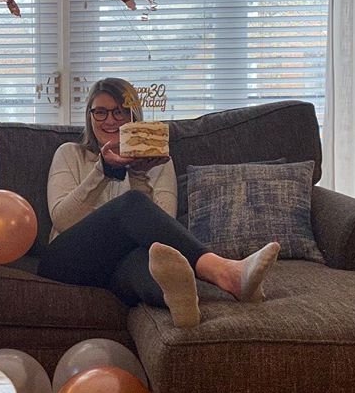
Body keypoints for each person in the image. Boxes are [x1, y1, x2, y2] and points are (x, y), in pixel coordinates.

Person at [37, 77, 280, 327]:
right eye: (100, 112)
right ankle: (224, 271)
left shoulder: (158, 160)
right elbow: (63, 220)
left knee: (151, 260)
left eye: (119, 112)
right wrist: (103, 170)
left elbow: (162, 228)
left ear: (133, 116)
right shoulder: (70, 153)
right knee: (131, 203)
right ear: (89, 115)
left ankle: (180, 303)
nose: (109, 120)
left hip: (116, 267)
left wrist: (138, 174)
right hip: (67, 261)